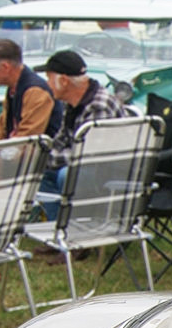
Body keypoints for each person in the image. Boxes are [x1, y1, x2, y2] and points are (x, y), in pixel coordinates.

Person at [36, 49, 127, 217]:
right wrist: (38, 156)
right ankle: (57, 230)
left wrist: (46, 158)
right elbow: (60, 140)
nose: (47, 85)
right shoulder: (72, 103)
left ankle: (77, 231)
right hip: (87, 164)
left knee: (67, 175)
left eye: (49, 78)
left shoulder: (98, 106)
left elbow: (89, 155)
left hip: (110, 170)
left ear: (63, 81)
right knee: (38, 171)